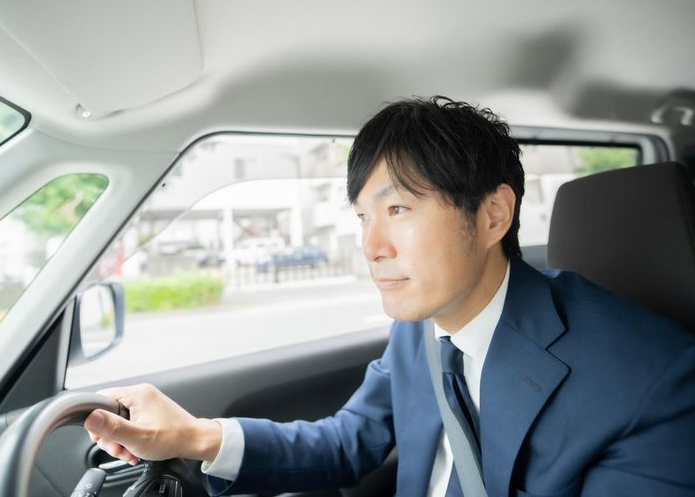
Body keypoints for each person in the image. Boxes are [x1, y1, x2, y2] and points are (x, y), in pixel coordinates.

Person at [84, 97, 695, 496]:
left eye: (398, 209)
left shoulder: (652, 382)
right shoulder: (423, 327)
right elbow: (350, 442)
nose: (371, 247)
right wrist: (193, 437)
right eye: (362, 217)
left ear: (493, 215)